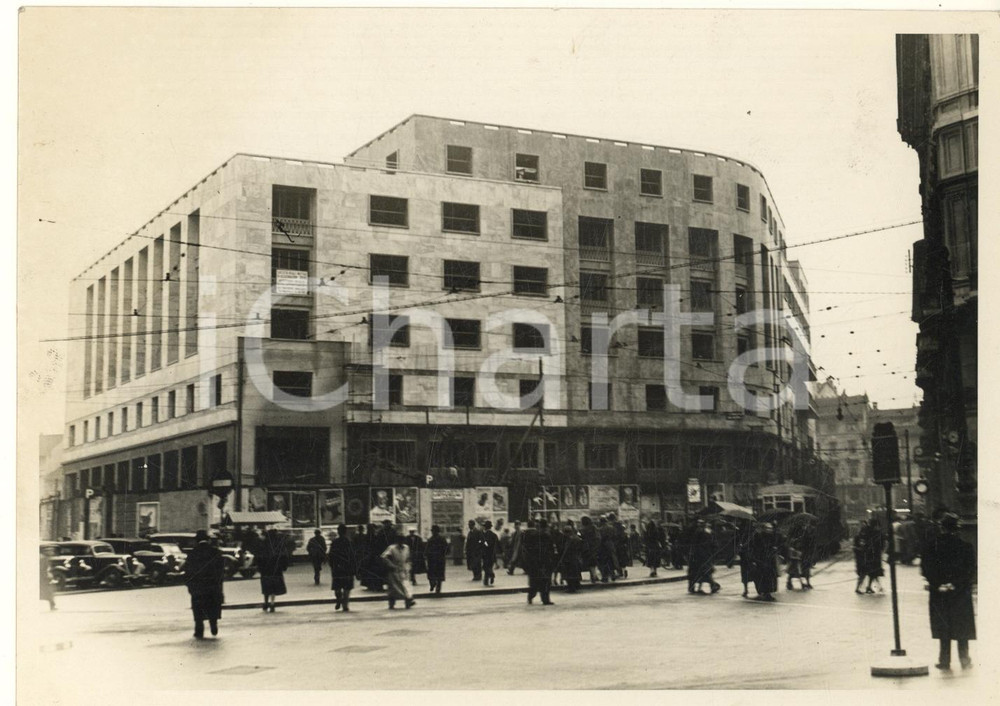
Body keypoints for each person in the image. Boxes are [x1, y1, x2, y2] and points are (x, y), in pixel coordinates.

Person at [922, 513, 975, 670]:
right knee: (961, 625)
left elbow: (926, 569)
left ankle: (944, 660)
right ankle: (964, 658)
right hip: (960, 592)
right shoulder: (966, 547)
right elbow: (970, 570)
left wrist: (938, 584)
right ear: (957, 528)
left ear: (941, 528)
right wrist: (955, 584)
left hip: (939, 592)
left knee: (943, 624)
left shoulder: (931, 546)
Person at [183, 530, 225, 638]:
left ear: (197, 540)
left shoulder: (192, 553)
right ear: (208, 540)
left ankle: (199, 629)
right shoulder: (215, 552)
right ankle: (213, 624)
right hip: (212, 586)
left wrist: (189, 585)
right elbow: (221, 570)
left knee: (198, 608)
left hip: (198, 587)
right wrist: (219, 584)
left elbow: (188, 571)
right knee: (212, 605)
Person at [521, 519, 555, 605]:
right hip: (545, 561)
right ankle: (545, 599)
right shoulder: (547, 535)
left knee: (535, 580)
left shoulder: (534, 535)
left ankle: (531, 596)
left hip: (535, 562)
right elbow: (551, 549)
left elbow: (528, 549)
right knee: (546, 581)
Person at [257, 529, 290, 612]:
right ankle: (272, 603)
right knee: (274, 588)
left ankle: (265, 602)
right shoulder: (278, 544)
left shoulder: (263, 544)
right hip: (276, 569)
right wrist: (284, 567)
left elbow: (259, 557)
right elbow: (284, 556)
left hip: (265, 570)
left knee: (266, 587)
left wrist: (259, 568)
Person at [381, 533, 416, 609]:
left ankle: (408, 600)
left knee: (406, 585)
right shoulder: (392, 548)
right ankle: (391, 603)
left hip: (404, 569)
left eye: (402, 540)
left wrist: (409, 566)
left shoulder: (406, 547)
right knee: (393, 588)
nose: (401, 542)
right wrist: (391, 565)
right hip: (394, 570)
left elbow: (408, 558)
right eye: (399, 540)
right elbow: (384, 557)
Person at [748, 522, 780, 601]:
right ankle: (763, 592)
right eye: (768, 528)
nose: (770, 530)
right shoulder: (757, 536)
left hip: (770, 560)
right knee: (761, 576)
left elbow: (776, 544)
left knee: (770, 577)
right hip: (760, 559)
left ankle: (768, 593)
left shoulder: (772, 536)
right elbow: (753, 548)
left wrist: (775, 548)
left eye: (770, 528)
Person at [328, 524, 356, 612]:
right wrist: (354, 568)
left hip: (337, 568)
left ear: (338, 531)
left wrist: (332, 565)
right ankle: (345, 605)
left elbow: (331, 555)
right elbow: (353, 556)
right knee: (347, 588)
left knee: (337, 587)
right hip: (347, 568)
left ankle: (338, 598)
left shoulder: (334, 542)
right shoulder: (349, 542)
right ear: (345, 531)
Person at [688, 520, 721, 594]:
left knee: (696, 572)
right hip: (704, 555)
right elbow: (713, 544)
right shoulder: (707, 533)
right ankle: (712, 585)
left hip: (697, 555)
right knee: (705, 571)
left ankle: (693, 587)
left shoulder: (696, 532)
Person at [558, 521, 583, 593]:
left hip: (569, 559)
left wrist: (561, 559)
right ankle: (577, 585)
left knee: (569, 574)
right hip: (576, 557)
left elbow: (565, 550)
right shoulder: (577, 538)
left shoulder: (569, 539)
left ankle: (571, 588)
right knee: (576, 572)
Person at [425, 525, 449, 594]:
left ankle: (434, 585)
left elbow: (427, 549)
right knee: (439, 574)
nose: (433, 532)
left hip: (433, 559)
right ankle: (437, 587)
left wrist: (426, 555)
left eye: (433, 531)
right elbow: (447, 549)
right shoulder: (442, 539)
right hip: (439, 559)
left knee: (432, 573)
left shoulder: (431, 539)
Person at [579, 515, 600, 583]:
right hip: (594, 547)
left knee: (590, 563)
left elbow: (580, 538)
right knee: (593, 563)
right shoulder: (594, 528)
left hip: (586, 548)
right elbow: (598, 537)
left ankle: (593, 576)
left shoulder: (583, 530)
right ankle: (594, 576)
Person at [480, 520, 498, 586]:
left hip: (486, 553)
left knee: (486, 567)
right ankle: (486, 581)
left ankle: (491, 575)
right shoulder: (494, 535)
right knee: (489, 566)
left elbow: (486, 544)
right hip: (492, 553)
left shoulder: (485, 535)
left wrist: (483, 542)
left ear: (485, 527)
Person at [39, 547, 56, 611]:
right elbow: (43, 569)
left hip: (44, 578)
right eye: (50, 551)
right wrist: (47, 577)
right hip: (43, 579)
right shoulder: (43, 558)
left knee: (49, 592)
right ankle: (52, 605)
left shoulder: (44, 558)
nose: (52, 552)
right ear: (46, 552)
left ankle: (52, 605)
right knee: (48, 592)